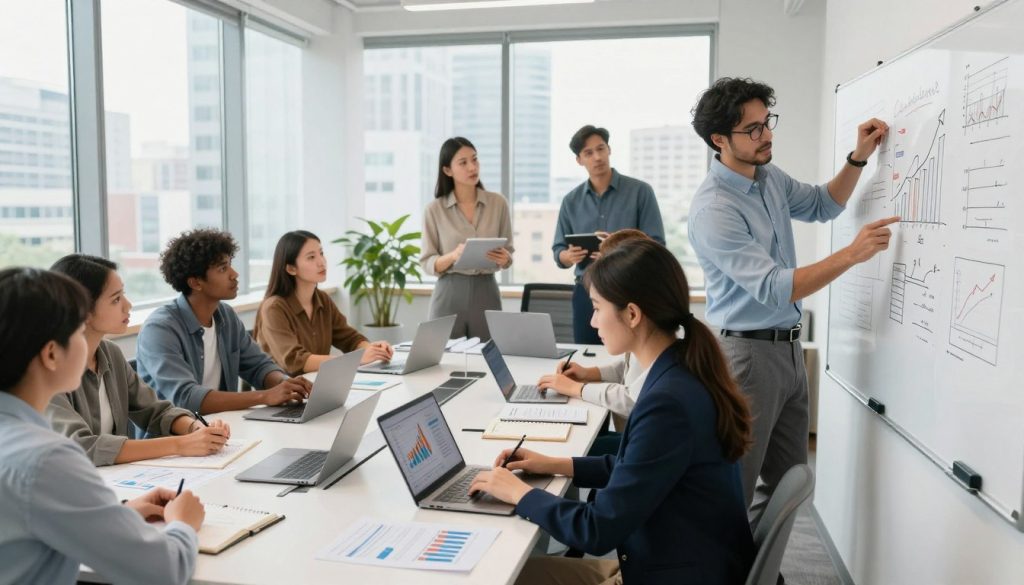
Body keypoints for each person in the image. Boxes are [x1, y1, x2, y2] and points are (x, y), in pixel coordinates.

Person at [469, 239, 755, 585]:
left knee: (496, 575)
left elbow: (597, 529)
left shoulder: (668, 403)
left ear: (632, 314)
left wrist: (519, 493)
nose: (592, 322)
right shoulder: (680, 370)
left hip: (668, 573)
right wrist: (554, 464)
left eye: (596, 307)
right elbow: (635, 467)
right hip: (678, 561)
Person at [688, 77, 896, 526]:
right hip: (745, 356)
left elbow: (824, 204)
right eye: (753, 129)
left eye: (767, 122)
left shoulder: (769, 178)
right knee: (735, 487)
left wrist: (858, 157)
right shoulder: (714, 209)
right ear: (719, 140)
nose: (767, 135)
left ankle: (756, 569)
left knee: (789, 484)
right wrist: (852, 254)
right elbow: (776, 286)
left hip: (786, 349)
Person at [0, 267, 205, 585]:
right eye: (78, 329)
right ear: (52, 354)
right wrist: (183, 523)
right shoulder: (46, 458)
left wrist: (116, 514)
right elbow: (163, 571)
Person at [48, 254, 231, 466]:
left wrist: (195, 429)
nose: (128, 305)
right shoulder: (47, 369)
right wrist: (180, 444)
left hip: (113, 481)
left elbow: (156, 411)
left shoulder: (110, 353)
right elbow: (81, 446)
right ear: (83, 310)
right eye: (116, 299)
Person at [137, 229, 312, 415]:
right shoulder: (159, 329)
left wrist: (285, 383)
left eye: (230, 265)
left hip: (224, 429)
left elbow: (259, 366)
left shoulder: (226, 316)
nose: (234, 274)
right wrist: (266, 396)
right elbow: (187, 397)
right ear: (196, 283)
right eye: (222, 269)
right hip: (173, 440)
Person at [537, 229, 651, 452]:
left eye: (598, 308)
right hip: (634, 440)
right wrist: (590, 374)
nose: (592, 322)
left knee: (568, 445)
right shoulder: (649, 332)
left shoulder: (657, 346)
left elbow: (631, 399)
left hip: (640, 446)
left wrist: (577, 388)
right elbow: (630, 369)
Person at [552, 124, 666, 344]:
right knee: (586, 356)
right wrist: (568, 256)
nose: (597, 157)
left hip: (629, 290)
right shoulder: (571, 200)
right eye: (588, 153)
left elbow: (656, 244)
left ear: (609, 150)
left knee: (631, 356)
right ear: (579, 160)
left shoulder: (640, 192)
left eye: (601, 149)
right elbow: (558, 251)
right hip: (586, 293)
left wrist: (615, 249)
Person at [254, 230, 394, 375]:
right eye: (311, 257)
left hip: (319, 384)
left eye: (321, 253)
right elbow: (294, 360)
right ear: (291, 268)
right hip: (286, 392)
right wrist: (355, 360)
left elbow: (349, 338)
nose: (321, 262)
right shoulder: (273, 308)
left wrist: (372, 349)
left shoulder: (322, 300)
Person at [420, 137, 514, 339]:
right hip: (449, 291)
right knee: (443, 357)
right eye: (463, 163)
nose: (472, 167)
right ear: (447, 170)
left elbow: (509, 253)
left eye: (475, 159)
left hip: (486, 289)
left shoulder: (498, 204)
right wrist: (454, 255)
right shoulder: (434, 210)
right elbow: (427, 262)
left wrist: (506, 259)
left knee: (490, 357)